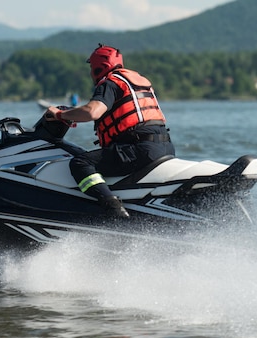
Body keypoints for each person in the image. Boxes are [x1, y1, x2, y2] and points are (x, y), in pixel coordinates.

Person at [44, 44, 175, 218]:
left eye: (92, 68)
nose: (91, 73)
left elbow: (92, 111)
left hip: (140, 149)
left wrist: (61, 114)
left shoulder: (110, 83)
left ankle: (112, 208)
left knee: (81, 163)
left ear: (100, 67)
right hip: (165, 146)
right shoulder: (136, 82)